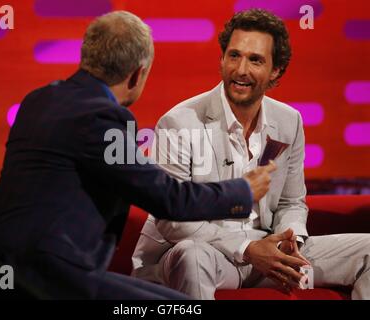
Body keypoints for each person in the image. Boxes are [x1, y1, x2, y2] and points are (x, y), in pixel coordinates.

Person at [0, 11, 278, 299]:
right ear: (137, 74)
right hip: (48, 275)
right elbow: (167, 198)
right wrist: (241, 190)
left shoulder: (38, 99)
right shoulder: (105, 118)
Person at [132, 9, 370, 300]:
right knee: (193, 256)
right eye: (234, 56)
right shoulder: (179, 122)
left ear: (276, 71)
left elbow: (291, 202)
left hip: (266, 252)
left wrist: (288, 239)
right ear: (222, 59)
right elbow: (174, 221)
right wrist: (247, 249)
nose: (241, 69)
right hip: (202, 254)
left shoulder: (289, 121)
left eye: (255, 60)